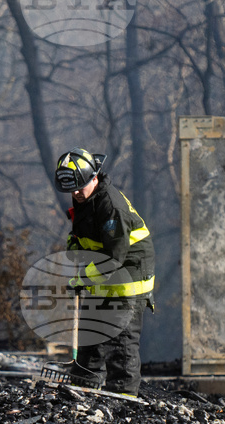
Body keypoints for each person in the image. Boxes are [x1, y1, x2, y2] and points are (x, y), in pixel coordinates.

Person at [54, 148, 155, 398]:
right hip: (105, 280)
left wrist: (82, 278)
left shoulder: (111, 205)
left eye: (80, 187)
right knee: (89, 339)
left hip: (127, 282)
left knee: (120, 346)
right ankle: (82, 396)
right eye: (71, 189)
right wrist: (76, 245)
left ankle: (123, 402)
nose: (75, 193)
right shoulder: (86, 200)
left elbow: (113, 257)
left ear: (94, 178)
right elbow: (93, 237)